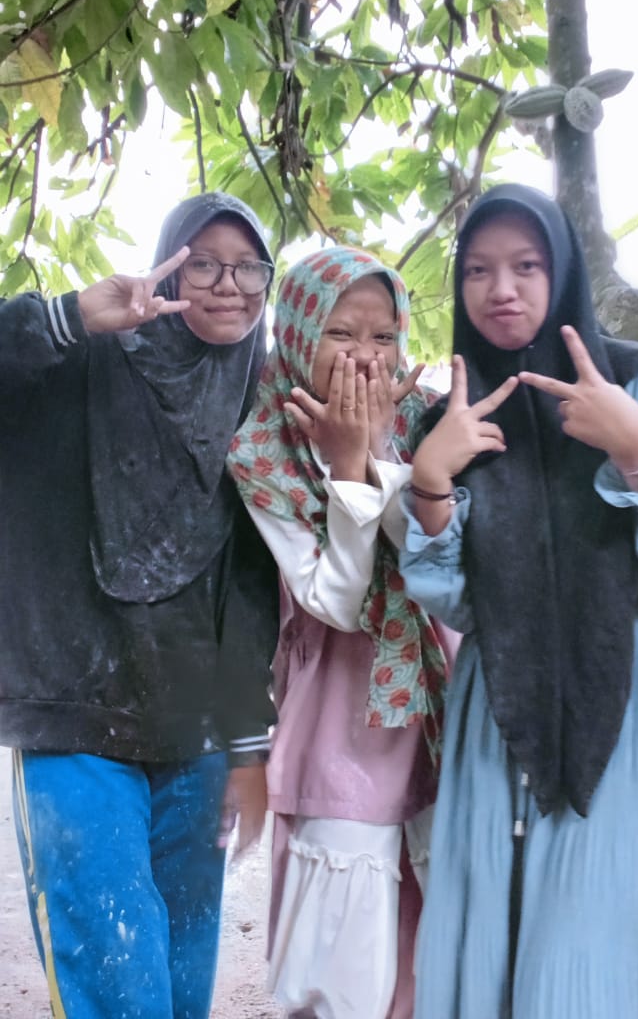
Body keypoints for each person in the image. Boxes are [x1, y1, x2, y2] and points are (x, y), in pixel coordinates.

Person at [398, 182, 638, 1019]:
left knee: (605, 926)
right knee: (499, 921)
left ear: (562, 271)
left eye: (526, 265)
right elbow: (454, 599)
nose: (500, 289)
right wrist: (429, 482)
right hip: (501, 698)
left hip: (631, 691)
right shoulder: (452, 415)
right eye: (477, 270)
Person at [0, 191, 280, 1019]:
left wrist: (247, 745)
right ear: (169, 266)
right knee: (118, 985)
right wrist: (66, 319)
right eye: (204, 262)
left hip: (196, 734)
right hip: (74, 722)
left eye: (248, 268)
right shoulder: (85, 363)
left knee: (181, 987)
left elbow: (251, 583)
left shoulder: (255, 403)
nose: (227, 284)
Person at [226, 246, 456, 1019]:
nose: (364, 357)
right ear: (297, 333)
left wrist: (377, 459)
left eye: (382, 336)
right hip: (340, 716)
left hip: (441, 702)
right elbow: (336, 600)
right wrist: (350, 474)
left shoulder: (427, 419)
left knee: (444, 940)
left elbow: (438, 557)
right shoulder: (263, 447)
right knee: (342, 963)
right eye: (340, 333)